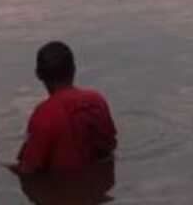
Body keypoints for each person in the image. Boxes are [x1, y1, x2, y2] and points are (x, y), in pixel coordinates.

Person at [14, 41, 117, 175]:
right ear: (74, 69)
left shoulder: (44, 114)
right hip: (103, 186)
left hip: (66, 188)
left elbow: (27, 170)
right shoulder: (97, 100)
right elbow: (111, 145)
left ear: (38, 74)